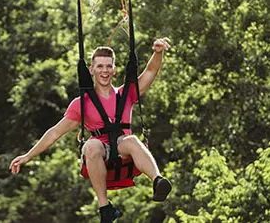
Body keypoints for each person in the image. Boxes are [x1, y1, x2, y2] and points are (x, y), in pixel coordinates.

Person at [9, 41, 174, 223]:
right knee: (92, 145)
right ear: (91, 70)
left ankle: (158, 181)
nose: (104, 71)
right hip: (99, 153)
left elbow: (150, 72)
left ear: (114, 70)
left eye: (108, 66)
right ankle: (105, 209)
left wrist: (157, 53)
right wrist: (28, 156)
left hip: (124, 149)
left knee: (133, 140)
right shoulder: (82, 104)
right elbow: (55, 132)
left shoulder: (126, 94)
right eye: (100, 66)